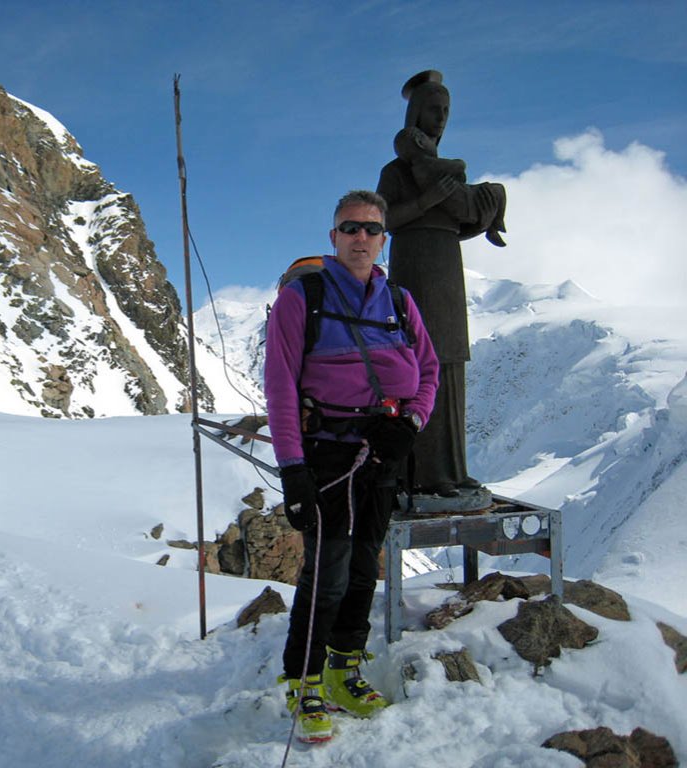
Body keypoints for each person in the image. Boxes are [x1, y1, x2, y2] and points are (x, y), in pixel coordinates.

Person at [265, 190, 439, 742]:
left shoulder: (400, 302)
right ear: (333, 237)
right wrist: (293, 468)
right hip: (329, 453)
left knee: (365, 563)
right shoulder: (305, 297)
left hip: (383, 450)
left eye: (370, 228)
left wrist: (409, 424)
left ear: (384, 238)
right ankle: (304, 679)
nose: (360, 237)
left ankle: (345, 668)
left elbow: (429, 371)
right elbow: (281, 385)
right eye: (350, 228)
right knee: (329, 569)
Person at [377, 70, 506, 497]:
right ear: (416, 113)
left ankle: (451, 469)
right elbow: (385, 221)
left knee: (450, 364)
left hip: (447, 269)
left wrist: (481, 216)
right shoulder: (397, 171)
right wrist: (427, 202)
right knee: (419, 365)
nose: (442, 118)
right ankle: (418, 473)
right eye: (435, 109)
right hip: (413, 267)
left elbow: (456, 223)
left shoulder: (444, 173)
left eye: (447, 111)